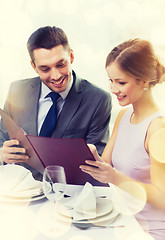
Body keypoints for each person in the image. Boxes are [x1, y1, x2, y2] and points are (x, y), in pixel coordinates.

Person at [80, 38, 165, 240]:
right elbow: (106, 165)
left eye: (121, 82)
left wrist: (115, 178)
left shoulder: (157, 129)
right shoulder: (123, 116)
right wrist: (89, 155)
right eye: (110, 80)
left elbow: (162, 197)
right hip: (122, 221)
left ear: (143, 80)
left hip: (149, 231)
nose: (112, 89)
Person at [0, 26, 112, 179]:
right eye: (45, 69)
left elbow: (97, 162)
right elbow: (2, 139)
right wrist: (2, 155)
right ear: (34, 67)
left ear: (71, 56)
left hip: (69, 195)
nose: (56, 76)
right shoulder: (17, 90)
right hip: (20, 191)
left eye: (61, 64)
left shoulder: (98, 99)